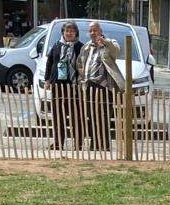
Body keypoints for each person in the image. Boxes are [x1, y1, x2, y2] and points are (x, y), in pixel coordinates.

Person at [80, 20, 125, 151]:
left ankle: (104, 145)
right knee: (91, 116)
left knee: (103, 116)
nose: (93, 33)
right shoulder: (87, 46)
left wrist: (104, 42)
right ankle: (94, 144)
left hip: (104, 87)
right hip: (89, 86)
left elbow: (117, 51)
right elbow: (80, 62)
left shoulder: (109, 43)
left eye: (95, 30)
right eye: (90, 31)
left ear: (100, 31)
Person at [43, 20, 83, 150]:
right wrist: (47, 80)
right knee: (58, 116)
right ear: (63, 32)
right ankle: (58, 142)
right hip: (57, 86)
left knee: (75, 116)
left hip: (74, 87)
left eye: (72, 31)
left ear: (76, 33)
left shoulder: (81, 47)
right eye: (67, 31)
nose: (69, 33)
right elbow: (49, 63)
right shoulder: (56, 45)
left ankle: (78, 143)